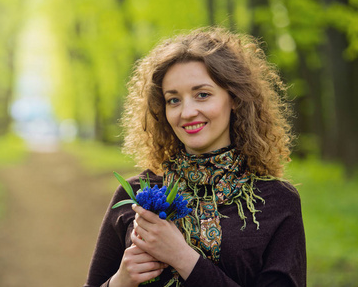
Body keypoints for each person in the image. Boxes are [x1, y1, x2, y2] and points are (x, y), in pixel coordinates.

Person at [84, 27, 306, 287]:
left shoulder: (276, 201)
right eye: (174, 100)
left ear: (234, 98)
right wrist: (120, 281)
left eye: (202, 94)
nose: (187, 112)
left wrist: (183, 258)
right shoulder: (136, 194)